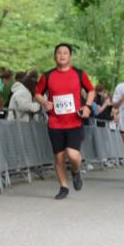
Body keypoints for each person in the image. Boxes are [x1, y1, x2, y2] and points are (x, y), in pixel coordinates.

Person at [35, 44, 95, 199]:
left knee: (73, 155)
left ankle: (75, 171)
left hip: (74, 121)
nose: (62, 55)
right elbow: (37, 93)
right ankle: (63, 187)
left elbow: (91, 90)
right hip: (55, 122)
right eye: (59, 53)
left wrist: (87, 106)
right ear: (55, 56)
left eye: (65, 53)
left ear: (70, 57)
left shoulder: (79, 74)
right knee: (59, 158)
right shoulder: (47, 76)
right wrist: (44, 102)